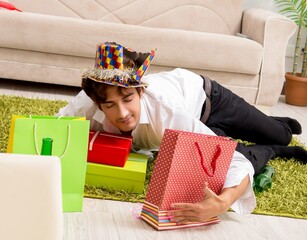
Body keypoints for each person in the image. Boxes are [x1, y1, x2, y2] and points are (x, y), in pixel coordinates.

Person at [56, 42, 306, 224]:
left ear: (141, 92)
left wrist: (223, 202)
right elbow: (54, 129)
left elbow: (235, 163)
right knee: (246, 147)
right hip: (189, 121)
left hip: (210, 100)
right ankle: (271, 150)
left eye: (128, 99)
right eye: (109, 105)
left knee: (280, 134)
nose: (122, 113)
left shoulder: (167, 114)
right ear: (98, 104)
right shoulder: (86, 104)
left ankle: (274, 128)